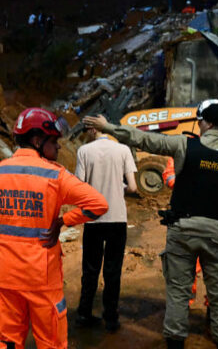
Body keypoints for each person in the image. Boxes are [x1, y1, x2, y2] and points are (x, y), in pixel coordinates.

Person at [83, 103, 218, 349]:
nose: (199, 125)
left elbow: (143, 139)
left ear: (208, 123)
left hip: (183, 230)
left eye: (201, 121)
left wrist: (108, 127)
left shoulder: (184, 145)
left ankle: (175, 342)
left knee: (178, 294)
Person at [0, 107, 109, 349]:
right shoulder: (55, 176)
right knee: (51, 343)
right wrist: (63, 221)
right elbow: (99, 204)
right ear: (38, 141)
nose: (58, 147)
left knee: (8, 343)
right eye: (54, 141)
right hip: (42, 278)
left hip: (6, 275)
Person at [161, 100, 218, 316]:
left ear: (206, 122)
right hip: (207, 219)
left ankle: (210, 312)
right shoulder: (192, 146)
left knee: (215, 272)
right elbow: (169, 174)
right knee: (192, 270)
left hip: (209, 220)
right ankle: (188, 307)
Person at [73, 124, 137, 331]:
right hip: (117, 218)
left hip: (93, 219)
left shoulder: (84, 151)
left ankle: (84, 313)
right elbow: (133, 187)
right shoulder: (123, 150)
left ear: (93, 130)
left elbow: (78, 186)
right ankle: (111, 317)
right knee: (113, 270)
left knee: (90, 270)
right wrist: (118, 188)